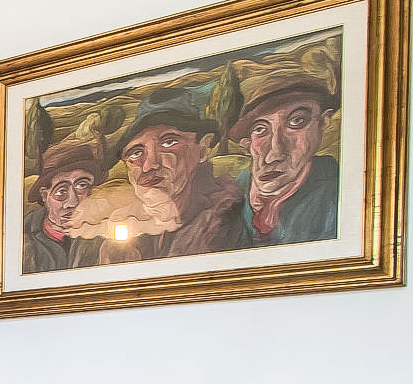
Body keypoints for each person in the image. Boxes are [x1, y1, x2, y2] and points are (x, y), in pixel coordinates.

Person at [109, 86, 240, 260]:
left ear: (202, 149)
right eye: (136, 153)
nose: (149, 166)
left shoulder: (227, 218)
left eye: (168, 143)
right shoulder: (124, 226)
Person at [225, 66, 339, 247]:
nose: (274, 155)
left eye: (296, 121)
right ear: (248, 143)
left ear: (323, 122)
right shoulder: (232, 196)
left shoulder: (336, 192)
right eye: (260, 129)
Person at [22, 138, 106, 271]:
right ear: (44, 196)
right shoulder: (22, 240)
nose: (72, 202)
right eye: (61, 192)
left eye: (82, 186)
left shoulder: (104, 234)